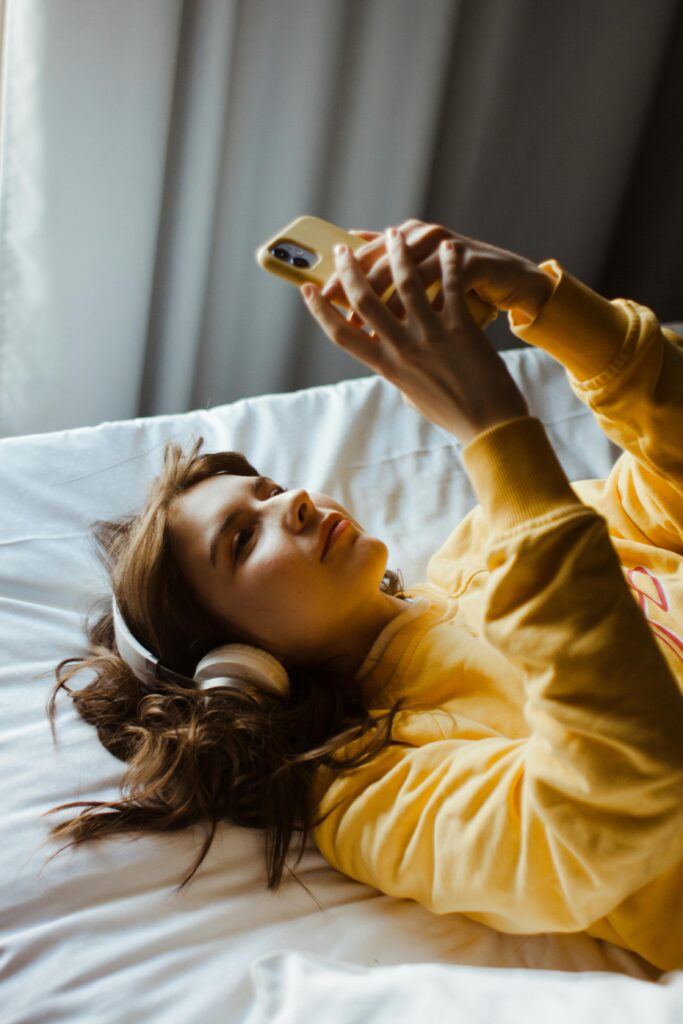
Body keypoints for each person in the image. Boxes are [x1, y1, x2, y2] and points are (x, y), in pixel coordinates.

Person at [46, 220, 683, 973]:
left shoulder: (488, 545)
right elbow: (617, 808)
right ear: (235, 661)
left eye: (273, 491)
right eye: (243, 540)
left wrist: (543, 301)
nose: (298, 504)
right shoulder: (371, 792)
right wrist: (491, 431)